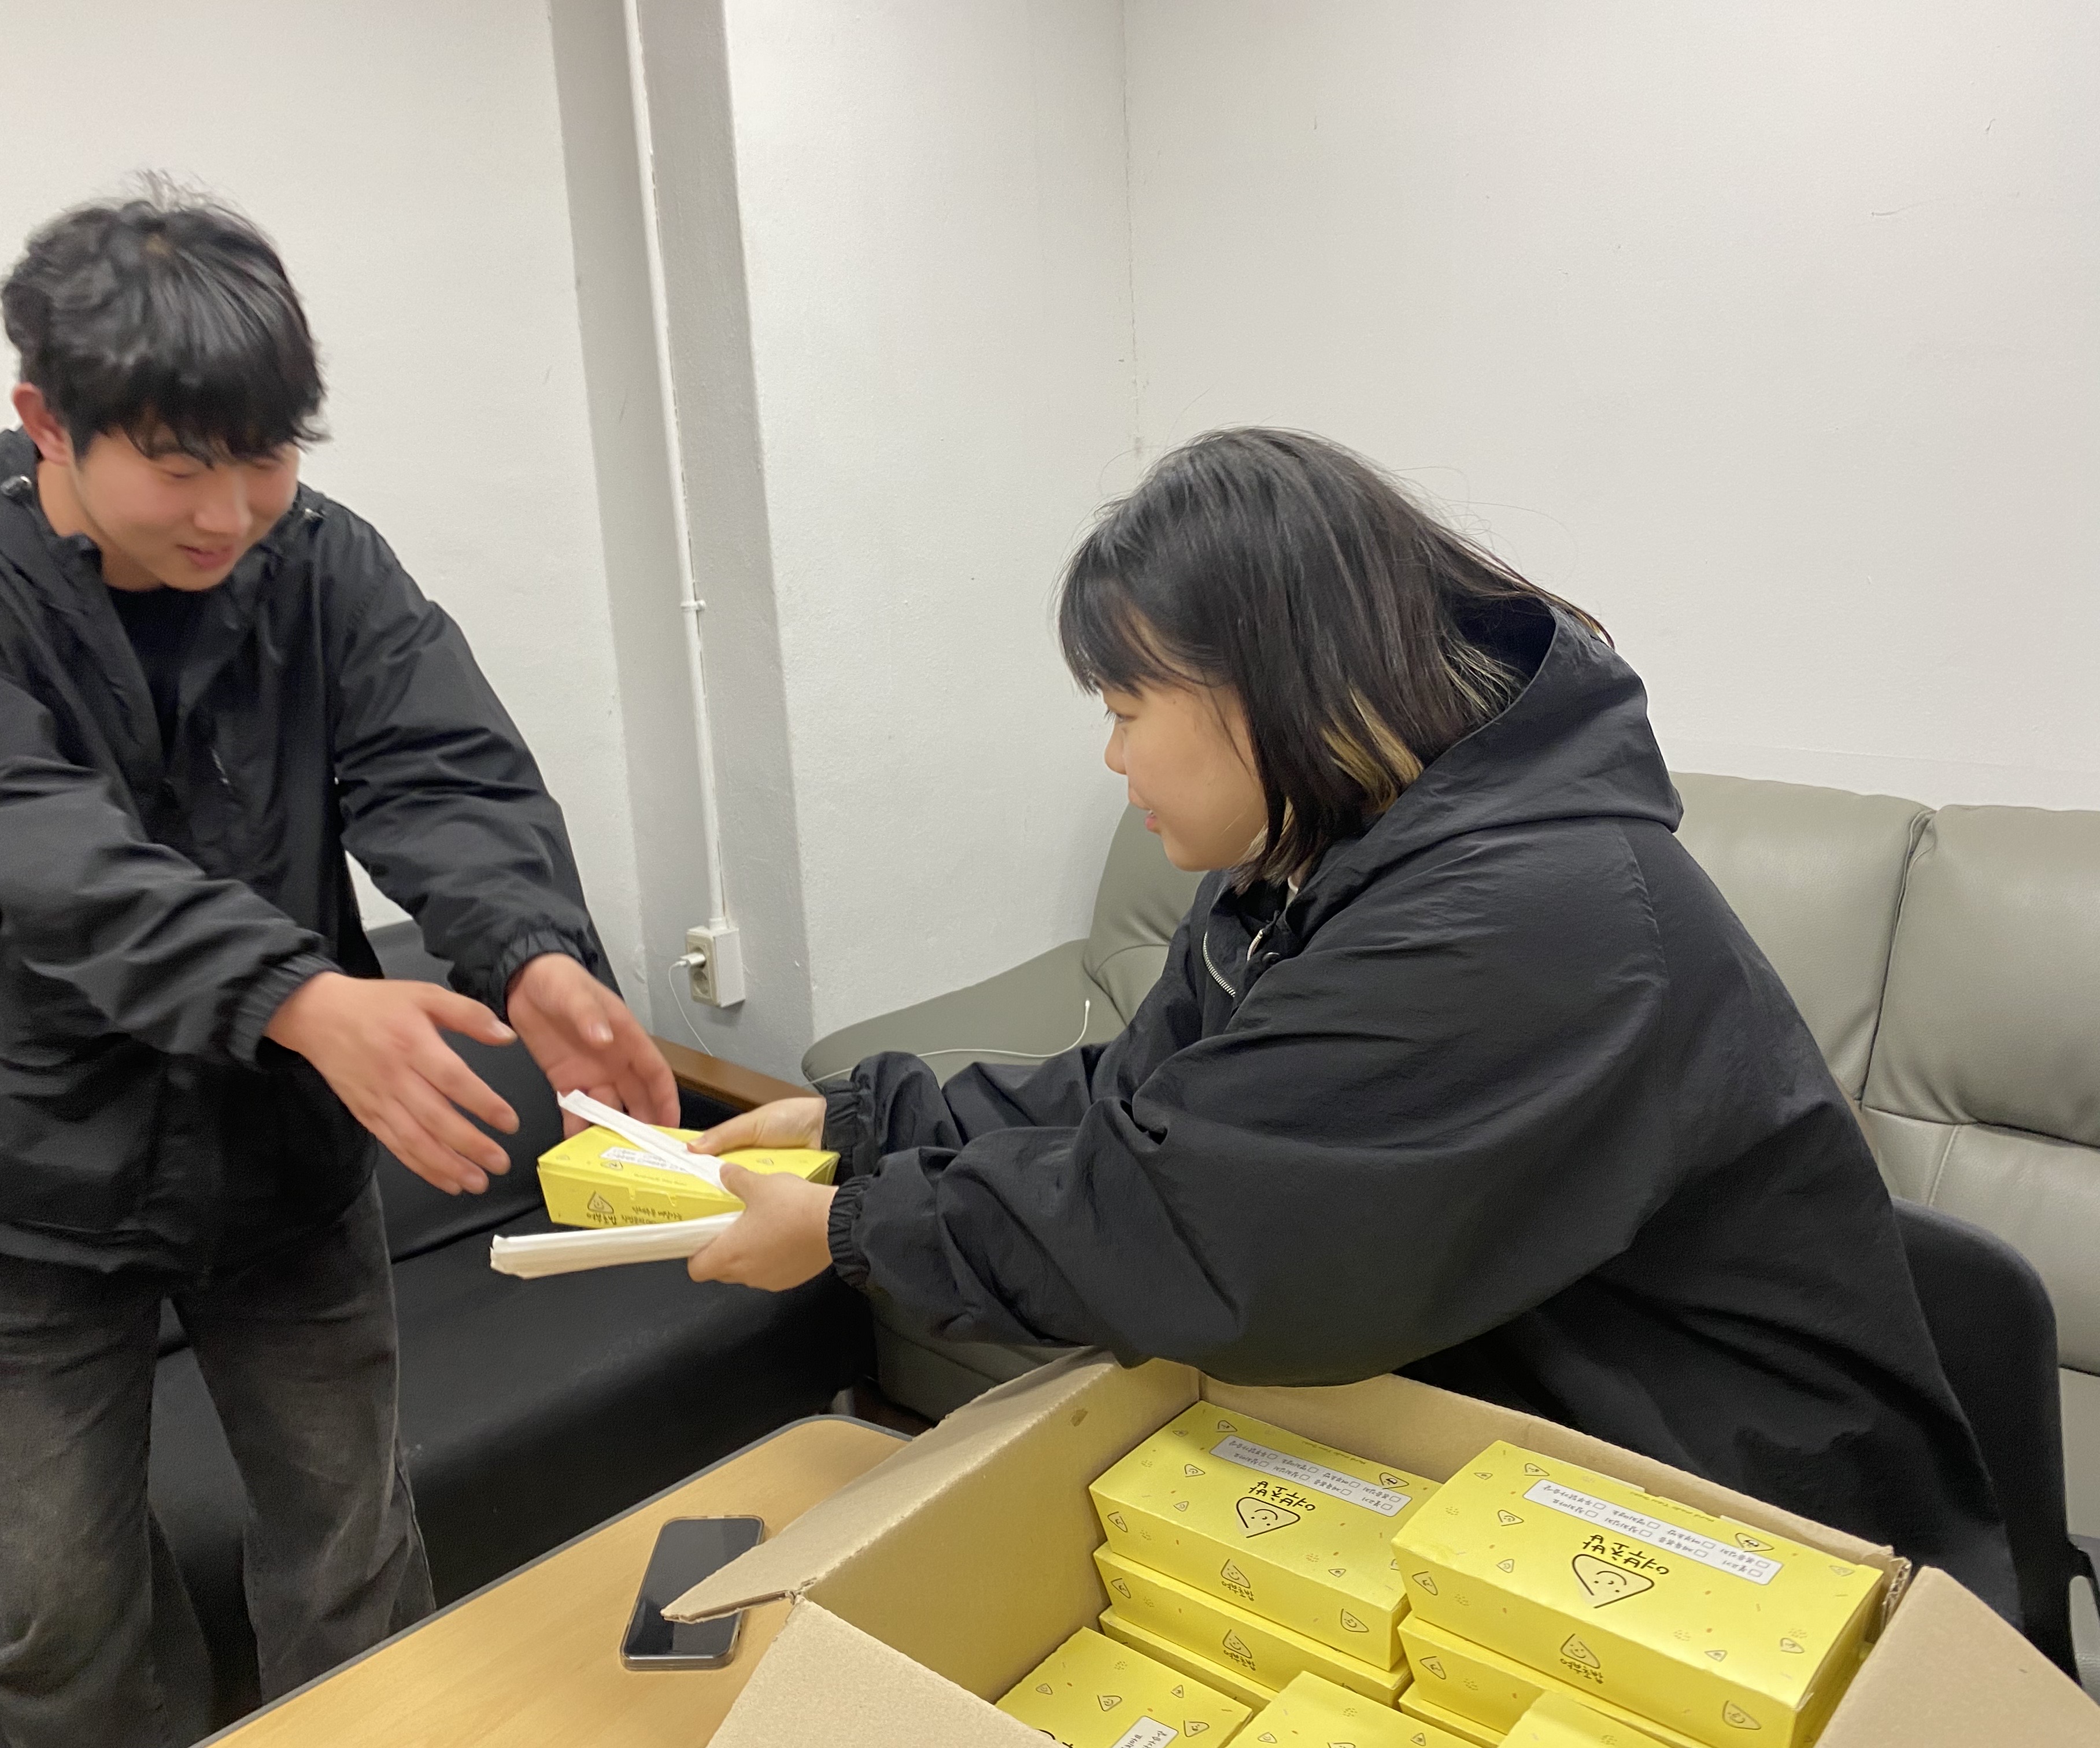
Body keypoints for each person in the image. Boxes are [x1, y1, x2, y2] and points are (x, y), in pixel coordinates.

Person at [683, 427, 2016, 1612]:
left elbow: (1201, 1218)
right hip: (1513, 1411)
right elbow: (1157, 1099)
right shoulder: (1311, 861)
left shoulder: (1524, 915)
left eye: (1128, 708)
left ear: (1270, 686)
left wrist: (856, 1227)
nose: (1114, 755)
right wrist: (869, 1125)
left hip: (1736, 1504)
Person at [0, 187, 676, 1747]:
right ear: (46, 420)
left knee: (354, 1559)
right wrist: (300, 998)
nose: (231, 512)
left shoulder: (327, 563)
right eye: (179, 464)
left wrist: (531, 954)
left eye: (268, 456)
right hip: (19, 1184)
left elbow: (439, 769)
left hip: (281, 1170)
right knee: (62, 1628)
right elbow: (25, 836)